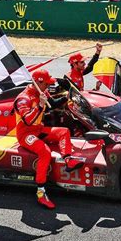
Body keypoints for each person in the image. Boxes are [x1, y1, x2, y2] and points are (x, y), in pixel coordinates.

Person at [14, 69, 84, 209]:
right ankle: (41, 193)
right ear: (38, 83)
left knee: (63, 131)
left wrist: (67, 96)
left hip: (39, 129)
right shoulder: (23, 99)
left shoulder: (42, 92)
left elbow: (52, 103)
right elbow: (28, 120)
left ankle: (68, 160)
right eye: (46, 84)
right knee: (44, 152)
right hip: (25, 134)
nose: (48, 86)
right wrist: (40, 105)